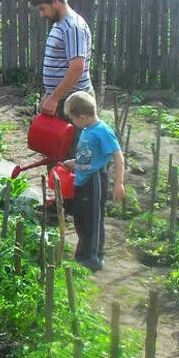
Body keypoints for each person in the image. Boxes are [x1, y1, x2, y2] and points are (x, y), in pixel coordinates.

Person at [60, 92, 125, 272]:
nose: (73, 122)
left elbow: (118, 158)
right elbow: (88, 156)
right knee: (80, 219)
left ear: (82, 116)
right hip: (81, 180)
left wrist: (119, 183)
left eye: (73, 119)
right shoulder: (87, 130)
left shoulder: (102, 131)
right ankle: (82, 254)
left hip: (94, 181)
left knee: (93, 220)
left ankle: (94, 258)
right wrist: (73, 163)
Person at [30, 0, 94, 157]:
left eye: (43, 9)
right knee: (56, 152)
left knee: (72, 157)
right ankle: (57, 184)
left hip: (74, 103)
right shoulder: (60, 24)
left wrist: (55, 97)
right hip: (62, 99)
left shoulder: (72, 27)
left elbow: (76, 68)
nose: (42, 14)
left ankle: (73, 185)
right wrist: (50, 94)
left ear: (55, 1)